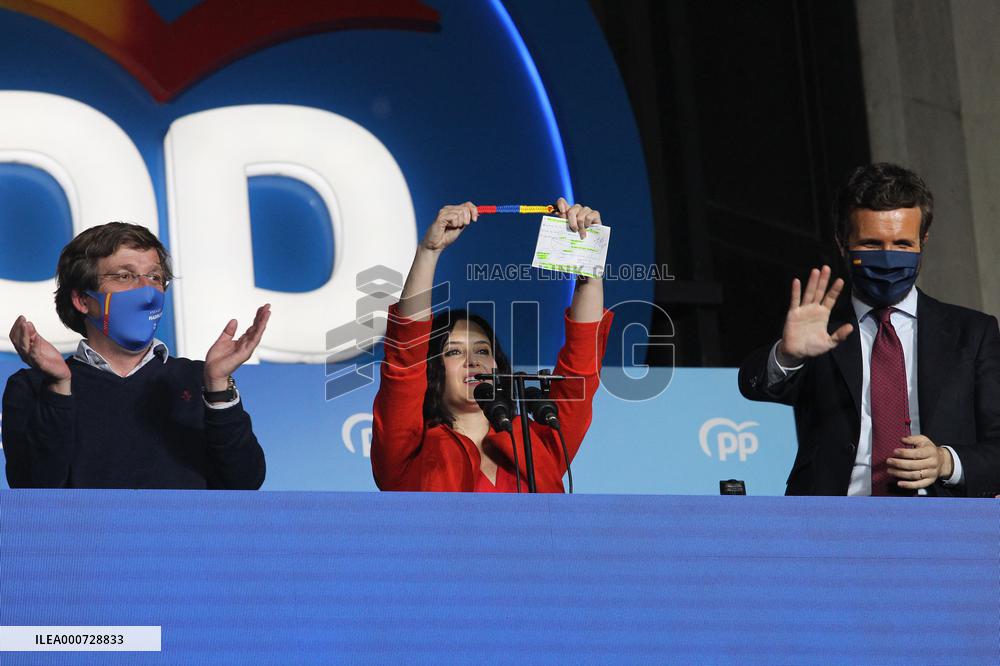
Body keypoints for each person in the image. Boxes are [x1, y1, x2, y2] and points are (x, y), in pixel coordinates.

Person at [738, 163, 1000, 497]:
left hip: (942, 524)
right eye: (872, 244)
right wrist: (787, 356)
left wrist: (945, 461)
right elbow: (752, 385)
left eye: (903, 244)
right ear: (842, 243)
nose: (889, 258)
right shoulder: (817, 324)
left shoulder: (972, 333)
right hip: (830, 522)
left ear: (924, 241)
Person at [371, 198, 613, 492]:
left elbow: (578, 376)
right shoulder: (407, 453)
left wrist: (587, 254)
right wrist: (429, 252)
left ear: (499, 364)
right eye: (454, 351)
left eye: (483, 350)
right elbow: (405, 358)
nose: (473, 361)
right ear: (433, 369)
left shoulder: (539, 443)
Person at [3, 222, 268, 489]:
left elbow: (244, 483)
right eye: (124, 276)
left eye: (154, 277)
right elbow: (33, 492)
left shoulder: (197, 379)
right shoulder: (33, 387)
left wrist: (218, 389)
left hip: (183, 532)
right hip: (88, 532)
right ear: (82, 300)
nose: (147, 292)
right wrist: (59, 388)